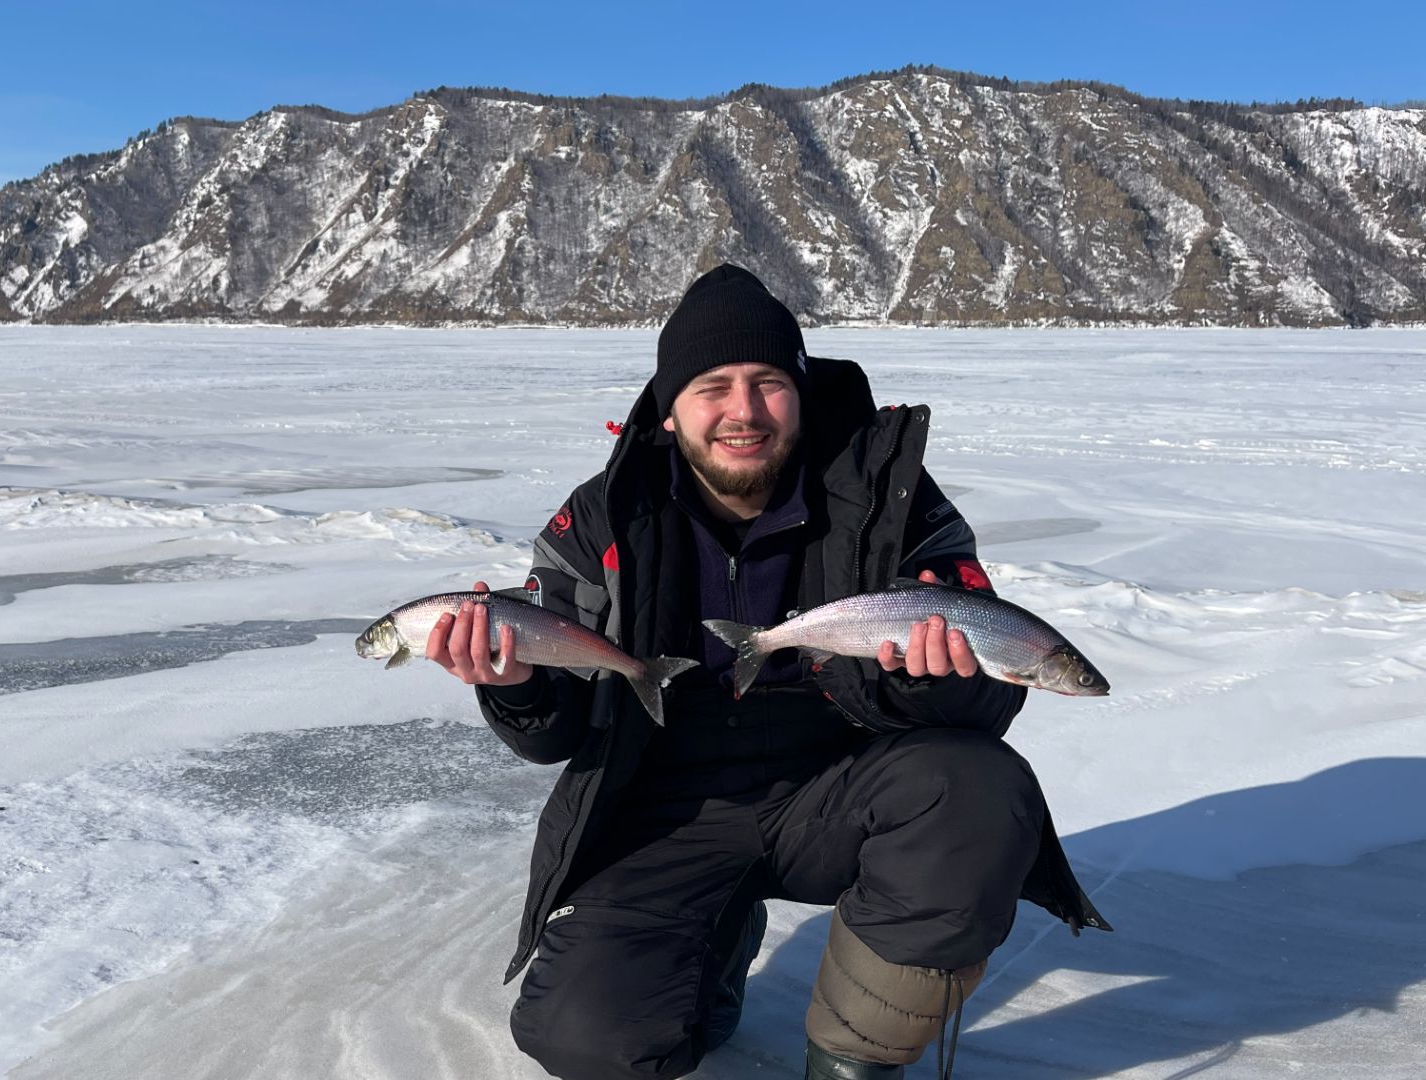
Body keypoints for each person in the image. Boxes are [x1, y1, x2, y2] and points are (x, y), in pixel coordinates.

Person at [426, 265, 1109, 1080]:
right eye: (712, 387)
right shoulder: (602, 518)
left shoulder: (892, 504)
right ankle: (710, 951)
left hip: (840, 789)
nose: (743, 411)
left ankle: (853, 1061)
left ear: (801, 393)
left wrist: (936, 679)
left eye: (769, 383)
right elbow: (556, 737)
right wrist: (515, 685)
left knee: (977, 788)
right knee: (587, 1039)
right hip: (664, 804)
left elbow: (987, 702)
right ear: (669, 408)